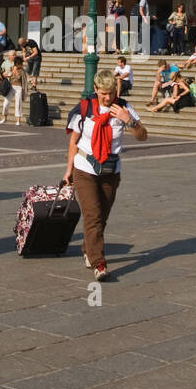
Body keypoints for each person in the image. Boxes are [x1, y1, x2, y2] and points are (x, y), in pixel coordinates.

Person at [62, 68, 147, 281]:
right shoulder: (84, 108)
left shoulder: (123, 107)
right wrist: (68, 170)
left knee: (102, 217)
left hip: (111, 170)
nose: (107, 98)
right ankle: (99, 264)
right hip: (85, 168)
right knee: (93, 215)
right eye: (103, 93)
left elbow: (142, 137)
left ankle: (88, 248)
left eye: (110, 93)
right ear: (96, 90)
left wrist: (129, 121)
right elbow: (74, 141)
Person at [0, 55, 25, 125]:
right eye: (20, 63)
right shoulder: (11, 68)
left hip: (19, 87)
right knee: (6, 103)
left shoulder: (22, 70)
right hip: (11, 87)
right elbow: (4, 74)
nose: (22, 65)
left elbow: (26, 79)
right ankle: (4, 118)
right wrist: (7, 74)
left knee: (18, 104)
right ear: (17, 63)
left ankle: (18, 120)